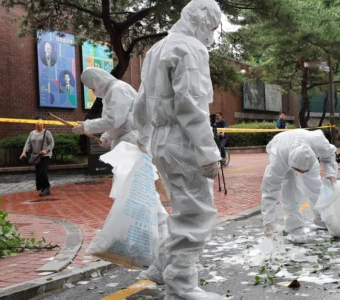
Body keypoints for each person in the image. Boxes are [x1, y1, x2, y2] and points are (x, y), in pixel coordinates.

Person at [132, 1, 222, 299]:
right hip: (182, 140)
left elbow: (142, 100)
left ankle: (162, 267)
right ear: (201, 21)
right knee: (196, 213)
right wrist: (208, 152)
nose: (211, 35)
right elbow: (191, 104)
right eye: (211, 27)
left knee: (181, 209)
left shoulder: (156, 49)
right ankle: (181, 285)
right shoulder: (191, 49)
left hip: (161, 138)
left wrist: (144, 135)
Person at [262, 129, 338, 244]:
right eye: (299, 170)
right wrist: (268, 222)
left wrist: (331, 173)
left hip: (305, 156)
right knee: (289, 193)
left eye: (304, 171)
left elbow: (329, 155)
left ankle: (321, 218)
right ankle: (295, 228)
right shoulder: (278, 160)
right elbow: (269, 191)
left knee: (316, 188)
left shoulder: (318, 142)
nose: (301, 173)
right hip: (282, 150)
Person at [72, 67, 138, 150]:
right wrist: (107, 136)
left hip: (131, 142)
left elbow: (113, 121)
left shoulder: (117, 89)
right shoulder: (111, 92)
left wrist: (87, 126)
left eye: (92, 88)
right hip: (127, 141)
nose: (92, 91)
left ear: (96, 82)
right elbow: (119, 121)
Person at [20, 118, 55, 196]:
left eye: (41, 123)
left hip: (45, 155)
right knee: (38, 173)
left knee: (43, 171)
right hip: (36, 155)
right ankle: (42, 188)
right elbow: (28, 143)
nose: (39, 125)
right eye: (37, 123)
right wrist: (24, 152)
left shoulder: (47, 133)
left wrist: (46, 150)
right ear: (35, 124)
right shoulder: (32, 133)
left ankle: (46, 188)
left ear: (43, 124)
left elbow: (52, 143)